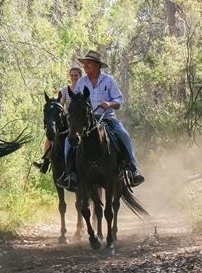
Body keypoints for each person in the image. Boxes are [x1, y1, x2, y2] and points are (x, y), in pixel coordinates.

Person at [57, 50, 144, 188]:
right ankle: (69, 173)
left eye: (88, 63)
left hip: (107, 117)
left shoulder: (109, 80)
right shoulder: (81, 82)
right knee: (69, 139)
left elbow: (119, 100)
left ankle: (133, 169)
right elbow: (76, 101)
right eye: (84, 63)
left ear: (97, 65)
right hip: (85, 120)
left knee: (123, 135)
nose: (85, 65)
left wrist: (109, 103)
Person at [34, 66, 82, 173]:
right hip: (67, 118)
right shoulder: (65, 90)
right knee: (50, 136)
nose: (74, 77)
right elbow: (61, 104)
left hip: (79, 119)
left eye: (76, 75)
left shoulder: (84, 89)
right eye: (72, 75)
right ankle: (45, 162)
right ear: (70, 76)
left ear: (80, 76)